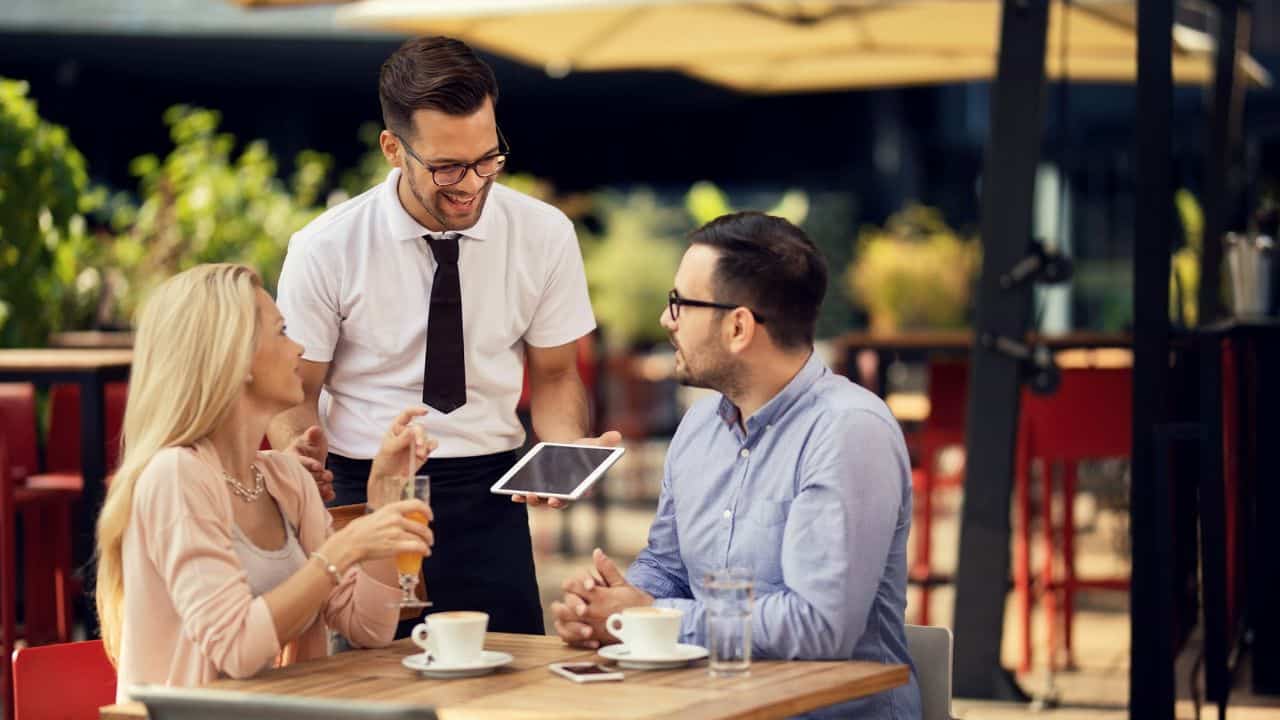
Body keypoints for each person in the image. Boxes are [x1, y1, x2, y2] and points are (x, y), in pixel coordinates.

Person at [270, 35, 616, 635]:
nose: (472, 184)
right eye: (447, 167)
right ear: (392, 149)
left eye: (487, 159)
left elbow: (556, 375)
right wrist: (300, 461)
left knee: (509, 685)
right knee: (372, 683)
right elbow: (297, 389)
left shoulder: (544, 234)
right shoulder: (325, 247)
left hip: (491, 495)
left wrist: (563, 454)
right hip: (364, 491)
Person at [551, 213, 922, 717]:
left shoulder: (848, 432)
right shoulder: (699, 426)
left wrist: (650, 616)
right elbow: (668, 568)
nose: (666, 320)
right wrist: (611, 605)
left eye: (679, 303)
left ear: (739, 326)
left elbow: (818, 627)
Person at [95, 264, 437, 702]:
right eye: (282, 331)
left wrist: (385, 488)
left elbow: (369, 627)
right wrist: (343, 550)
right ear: (235, 359)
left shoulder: (284, 477)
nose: (300, 347)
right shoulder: (175, 476)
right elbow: (235, 647)